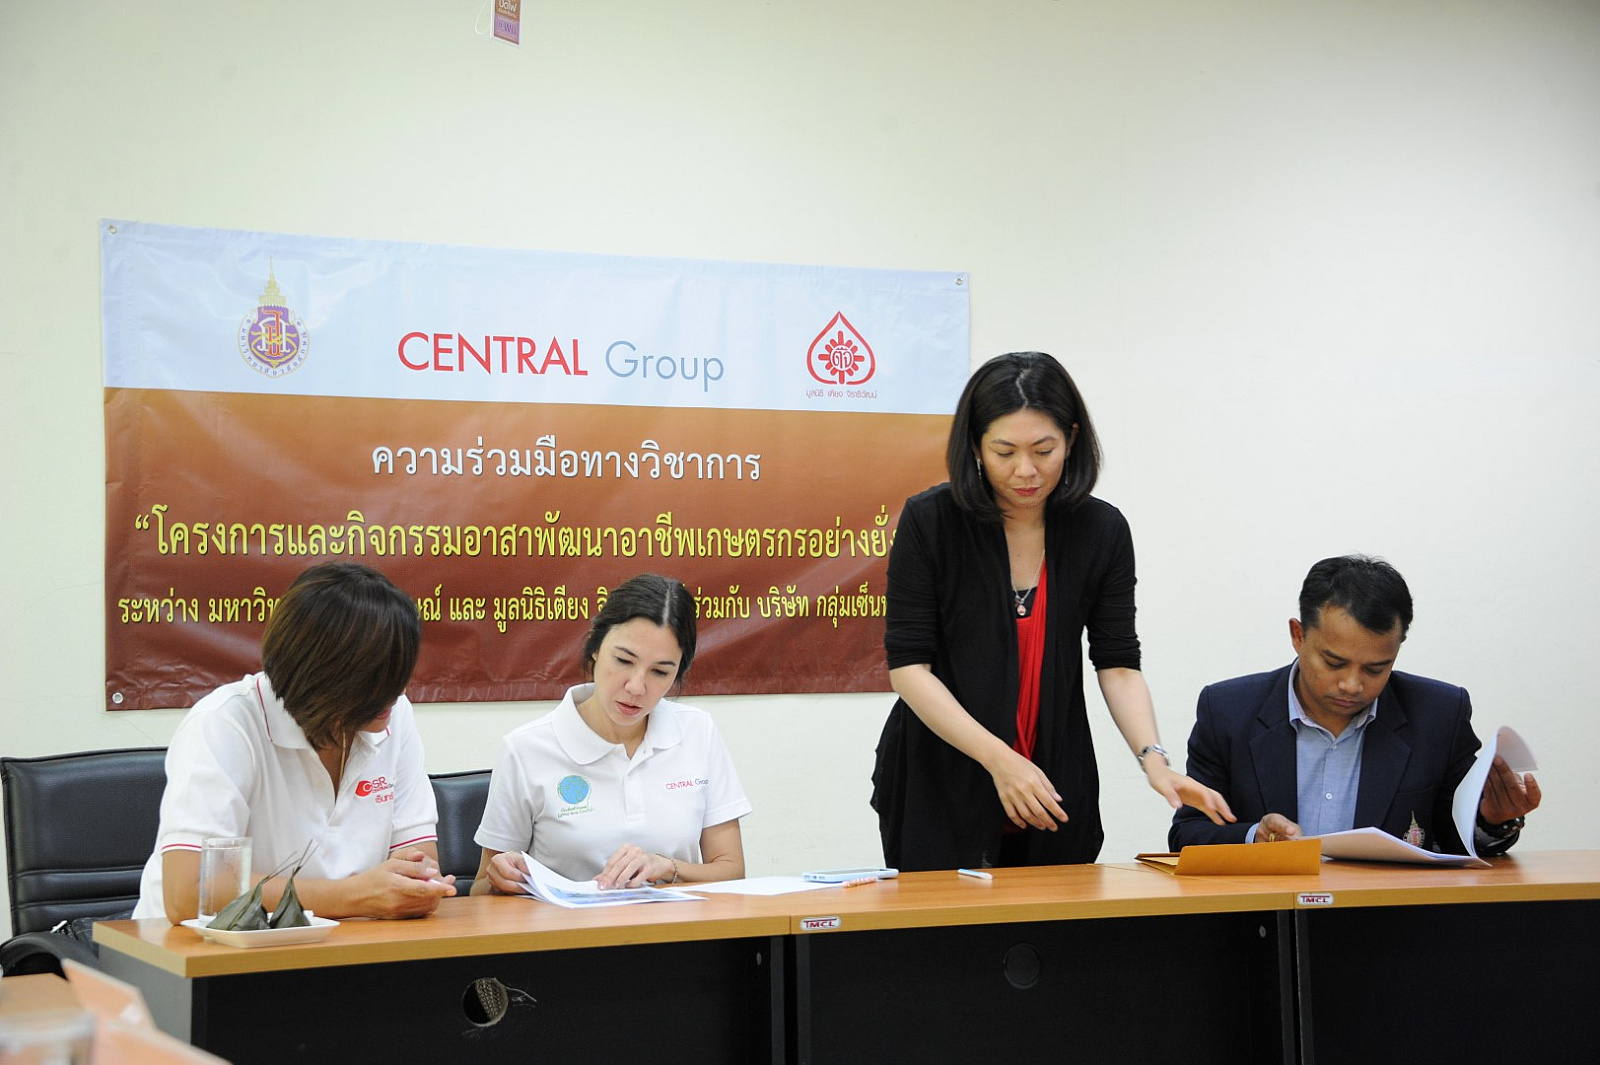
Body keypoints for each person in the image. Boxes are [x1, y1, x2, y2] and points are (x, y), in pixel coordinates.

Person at [872, 351, 1232, 871]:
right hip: (943, 780)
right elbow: (909, 669)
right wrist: (1001, 761)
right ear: (974, 445)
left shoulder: (1101, 530)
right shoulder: (931, 521)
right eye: (1004, 452)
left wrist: (1155, 762)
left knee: (1057, 913)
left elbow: (1118, 663)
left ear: (1072, 438)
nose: (1026, 471)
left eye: (1044, 450)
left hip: (1056, 776)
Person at [134, 562, 455, 923]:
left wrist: (416, 884)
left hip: (340, 944)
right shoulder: (226, 723)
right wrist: (355, 897)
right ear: (316, 671)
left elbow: (419, 856)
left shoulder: (393, 714)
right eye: (374, 680)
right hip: (197, 949)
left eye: (400, 673)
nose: (395, 692)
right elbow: (192, 891)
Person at [1169, 555, 1541, 853]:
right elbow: (1188, 834)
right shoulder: (1228, 711)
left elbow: (1454, 838)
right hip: (1269, 916)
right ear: (1298, 635)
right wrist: (1255, 838)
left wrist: (1491, 821)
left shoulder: (1439, 714)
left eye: (1376, 669)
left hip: (1388, 917)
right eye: (1334, 663)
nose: (1352, 685)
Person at [472, 573, 750, 892]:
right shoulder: (526, 748)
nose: (636, 687)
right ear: (595, 647)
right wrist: (500, 881)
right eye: (623, 660)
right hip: (567, 924)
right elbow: (480, 889)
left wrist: (667, 867)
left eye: (660, 671)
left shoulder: (698, 732)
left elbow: (731, 870)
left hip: (675, 922)